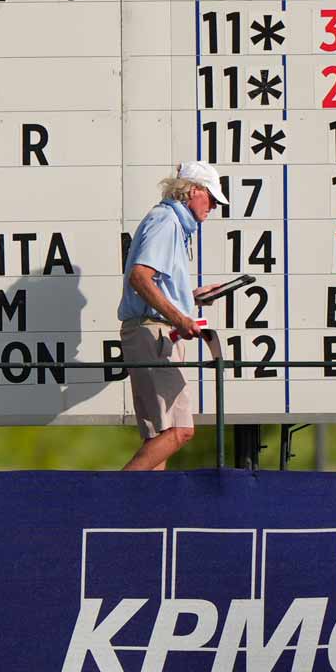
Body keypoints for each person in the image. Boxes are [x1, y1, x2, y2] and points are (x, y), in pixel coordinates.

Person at [118, 162, 227, 471]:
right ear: (193, 192)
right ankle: (109, 501)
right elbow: (140, 277)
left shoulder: (167, 222)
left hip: (150, 332)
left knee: (160, 439)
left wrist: (188, 299)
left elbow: (147, 280)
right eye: (212, 198)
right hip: (156, 333)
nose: (214, 207)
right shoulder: (167, 221)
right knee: (180, 431)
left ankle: (147, 515)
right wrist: (181, 318)